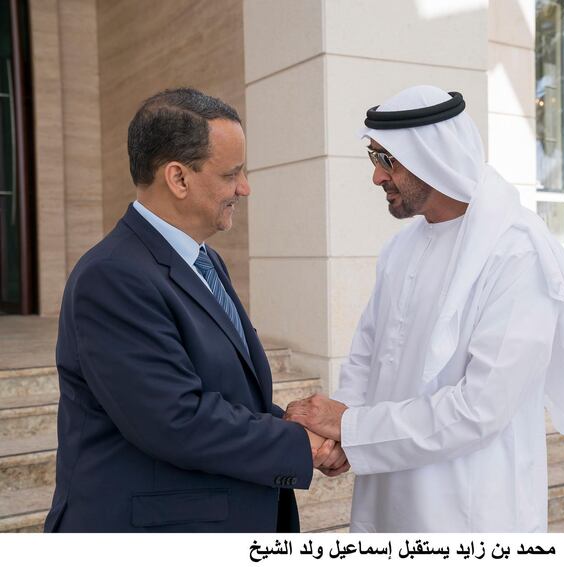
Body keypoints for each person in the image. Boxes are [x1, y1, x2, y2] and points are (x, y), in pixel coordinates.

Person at [285, 85, 564, 532]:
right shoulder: (400, 248)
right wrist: (339, 436)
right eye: (374, 159)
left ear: (434, 159)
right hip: (387, 491)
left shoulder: (515, 254)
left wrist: (353, 429)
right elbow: (368, 356)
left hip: (469, 507)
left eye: (386, 160)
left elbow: (481, 408)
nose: (377, 177)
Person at [44, 87, 348, 533]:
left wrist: (293, 420)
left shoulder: (203, 259)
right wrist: (299, 444)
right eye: (232, 174)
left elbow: (218, 391)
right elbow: (175, 418)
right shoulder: (111, 276)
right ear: (178, 179)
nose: (245, 188)